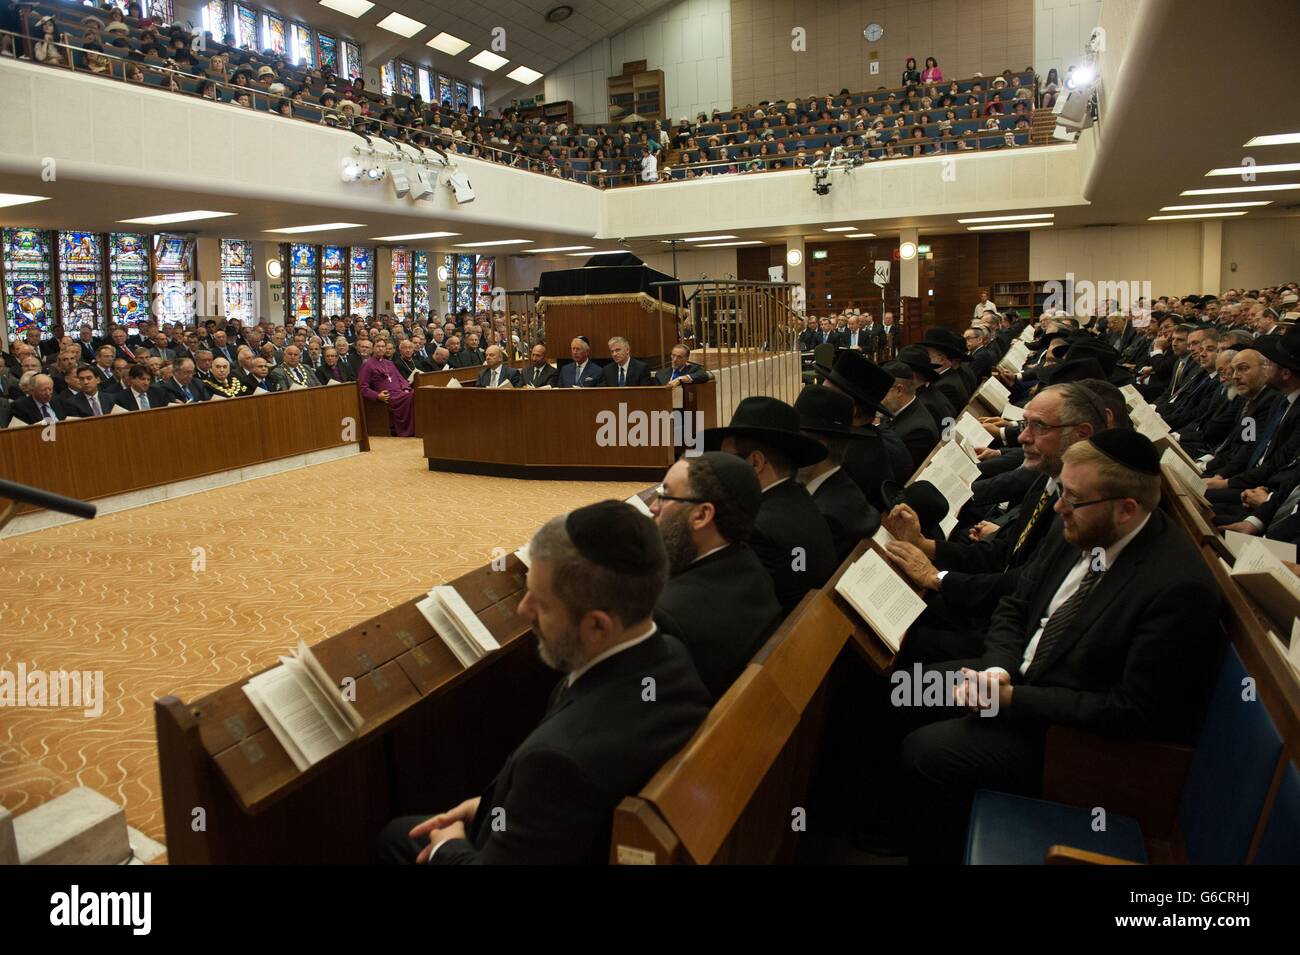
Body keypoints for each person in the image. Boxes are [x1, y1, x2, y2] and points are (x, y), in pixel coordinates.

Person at [899, 431, 1223, 862]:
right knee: (905, 690)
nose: (1058, 506)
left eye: (1073, 497)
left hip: (1073, 740)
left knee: (926, 751)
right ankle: (891, 829)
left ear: (1126, 510)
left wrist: (1011, 698)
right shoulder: (1078, 524)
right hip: (1014, 676)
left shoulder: (1177, 588)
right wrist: (997, 670)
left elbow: (1130, 712)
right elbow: (1016, 605)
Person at [378, 501, 710, 864]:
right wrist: (492, 808)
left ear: (599, 626)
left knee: (395, 839)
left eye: (541, 602)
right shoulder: (670, 654)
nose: (522, 610)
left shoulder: (557, 762)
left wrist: (446, 847)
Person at [650, 452, 783, 699]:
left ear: (701, 515)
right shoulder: (747, 563)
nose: (653, 507)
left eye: (665, 496)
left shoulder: (668, 615)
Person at [705, 396, 837, 612]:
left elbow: (726, 603)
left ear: (755, 462)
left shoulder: (759, 529)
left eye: (726, 460)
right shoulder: (801, 499)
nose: (719, 471)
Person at [794, 385, 881, 562]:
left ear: (819, 449)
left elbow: (800, 572)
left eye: (796, 441)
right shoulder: (843, 486)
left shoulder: (823, 517)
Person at [881, 360, 941, 471]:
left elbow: (898, 472)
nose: (878, 396)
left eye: (882, 389)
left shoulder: (919, 431)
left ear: (899, 390)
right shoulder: (901, 409)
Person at [359, 342, 416, 436]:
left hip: (400, 393)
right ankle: (409, 430)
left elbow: (401, 379)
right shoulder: (367, 364)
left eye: (383, 346)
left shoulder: (389, 363)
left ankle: (418, 427)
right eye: (378, 346)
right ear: (373, 348)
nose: (381, 349)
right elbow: (363, 387)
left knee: (419, 394)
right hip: (388, 396)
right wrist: (377, 396)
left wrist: (406, 388)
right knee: (412, 396)